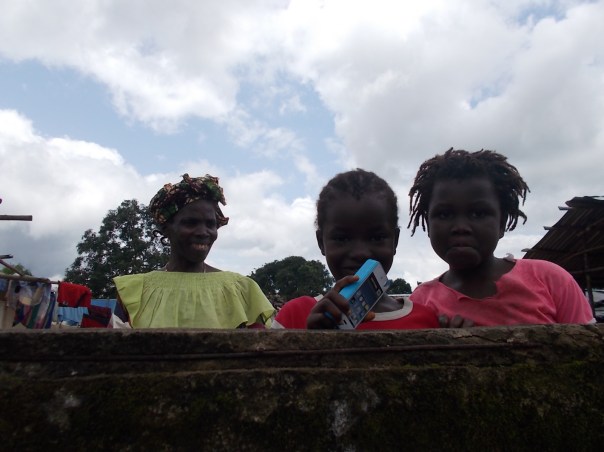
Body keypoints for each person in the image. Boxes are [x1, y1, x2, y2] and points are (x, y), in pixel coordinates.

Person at [407, 148, 595, 327]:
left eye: (478, 213)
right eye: (444, 214)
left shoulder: (550, 280)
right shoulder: (421, 303)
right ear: (428, 225)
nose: (460, 227)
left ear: (502, 223)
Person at [272, 169, 439, 330]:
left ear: (395, 241)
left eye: (376, 238)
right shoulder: (295, 315)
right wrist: (314, 340)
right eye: (342, 239)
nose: (360, 253)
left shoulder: (426, 320)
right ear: (321, 243)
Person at [113, 174, 275, 328]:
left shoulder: (242, 289)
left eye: (210, 224)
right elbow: (114, 346)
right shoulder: (134, 292)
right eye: (190, 223)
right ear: (166, 229)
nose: (203, 232)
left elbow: (261, 345)